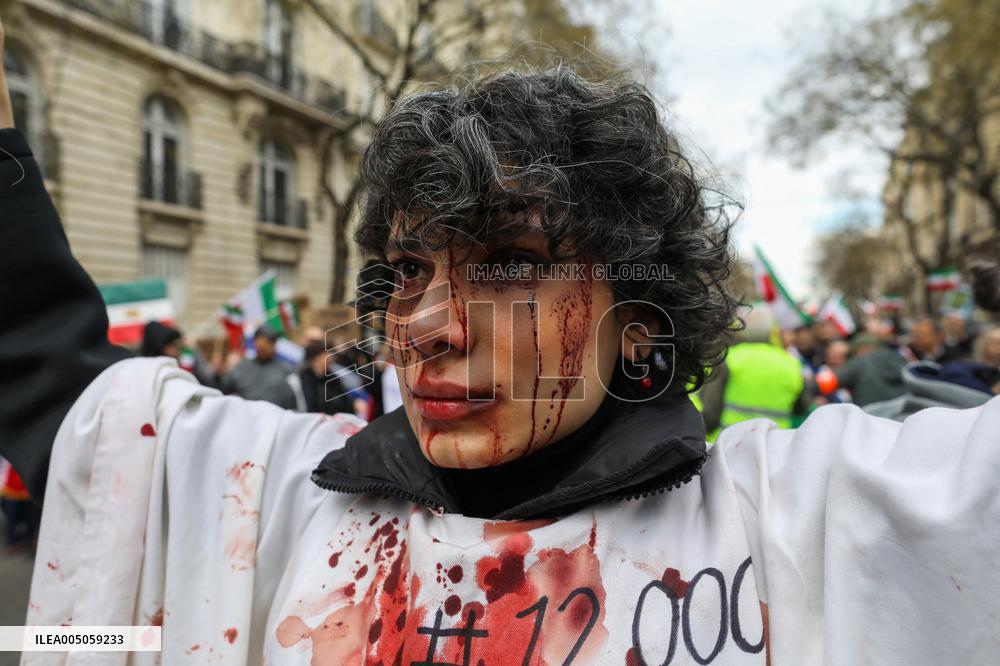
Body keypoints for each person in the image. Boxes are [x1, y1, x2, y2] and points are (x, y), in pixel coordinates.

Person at [2, 36, 999, 664]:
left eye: (510, 263)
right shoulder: (271, 497)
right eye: (405, 272)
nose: (427, 323)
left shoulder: (803, 515)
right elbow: (61, 384)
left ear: (638, 314)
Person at [223, 324, 297, 409]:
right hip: (248, 418)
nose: (264, 346)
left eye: (270, 342)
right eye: (262, 342)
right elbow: (225, 391)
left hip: (279, 418)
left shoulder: (286, 369)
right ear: (255, 343)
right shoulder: (241, 368)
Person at [287, 340, 359, 416]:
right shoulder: (302, 381)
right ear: (315, 360)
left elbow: (345, 401)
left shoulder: (333, 377)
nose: (330, 357)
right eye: (325, 354)